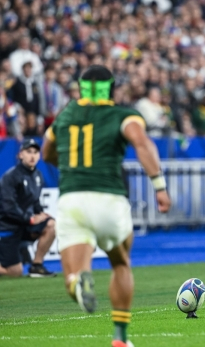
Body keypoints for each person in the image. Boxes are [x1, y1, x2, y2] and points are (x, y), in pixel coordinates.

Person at [41, 65, 171, 347]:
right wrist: (159, 186)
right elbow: (142, 143)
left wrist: (69, 166)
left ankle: (78, 283)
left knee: (72, 275)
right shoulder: (123, 115)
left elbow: (46, 151)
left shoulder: (65, 116)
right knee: (121, 263)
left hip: (71, 200)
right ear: (112, 89)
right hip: (108, 198)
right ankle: (120, 338)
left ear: (81, 88)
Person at [0, 138, 56, 278]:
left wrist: (41, 214)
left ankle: (36, 266)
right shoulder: (10, 176)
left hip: (24, 225)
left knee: (51, 224)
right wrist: (30, 219)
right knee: (15, 272)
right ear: (20, 155)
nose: (33, 156)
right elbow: (8, 207)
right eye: (28, 151)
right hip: (8, 227)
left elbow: (35, 201)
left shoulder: (38, 175)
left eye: (36, 152)